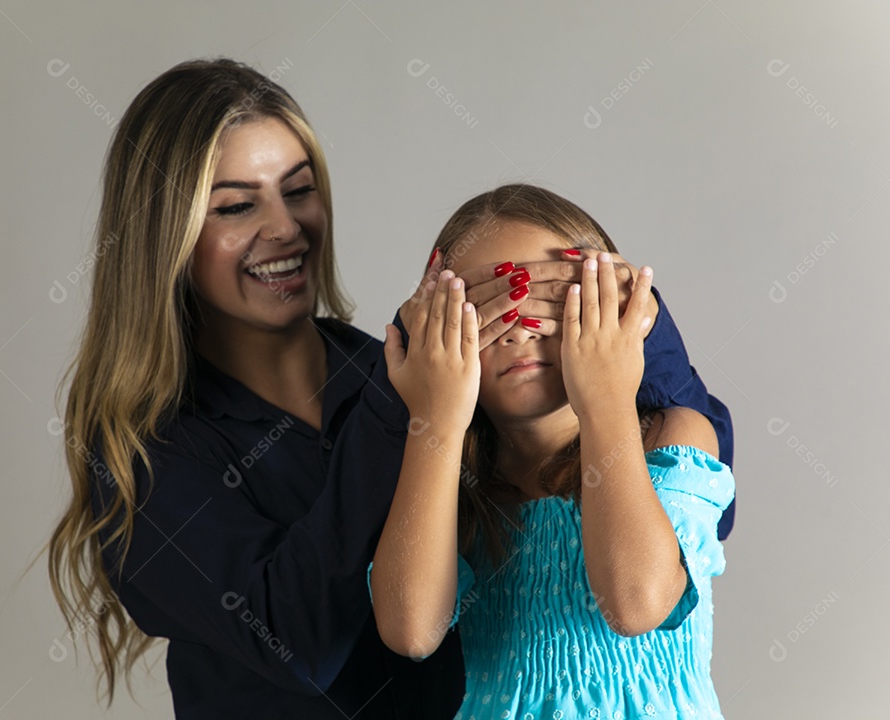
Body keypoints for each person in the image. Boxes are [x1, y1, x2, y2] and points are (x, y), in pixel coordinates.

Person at [44, 58, 732, 719]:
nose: (285, 227)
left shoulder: (429, 389)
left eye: (300, 189)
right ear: (168, 238)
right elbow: (301, 637)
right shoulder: (145, 463)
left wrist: (619, 307)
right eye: (234, 206)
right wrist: (419, 405)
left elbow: (692, 475)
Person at [369, 184, 735, 718]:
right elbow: (411, 631)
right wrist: (438, 417)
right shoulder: (452, 485)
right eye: (487, 312)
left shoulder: (672, 438)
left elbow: (635, 604)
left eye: (551, 302)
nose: (519, 331)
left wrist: (606, 397)